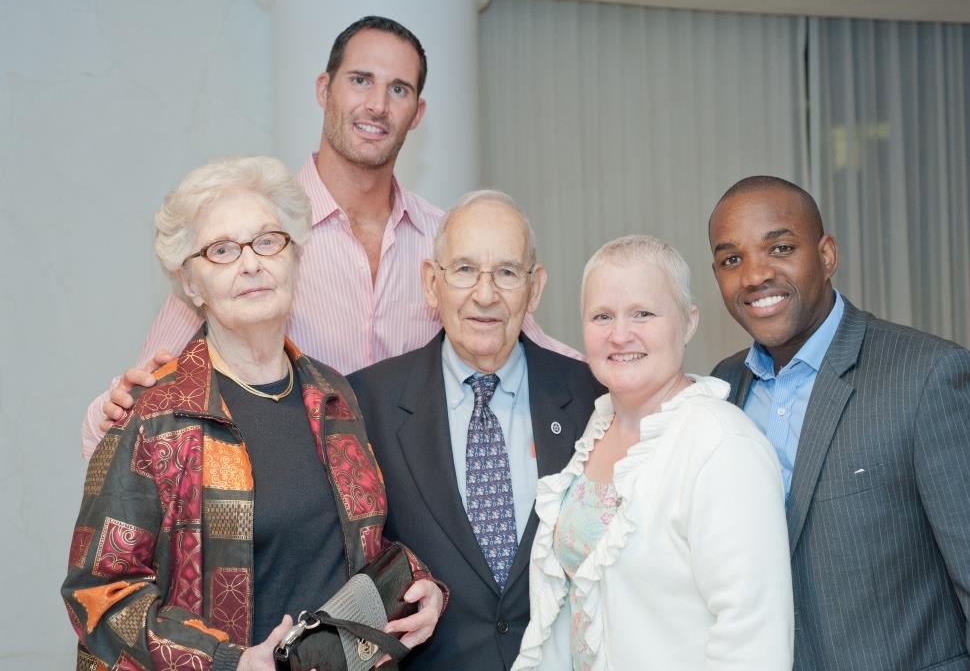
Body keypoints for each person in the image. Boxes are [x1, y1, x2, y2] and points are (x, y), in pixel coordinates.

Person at [80, 15, 578, 457]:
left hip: (421, 521)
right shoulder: (260, 238)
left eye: (398, 89)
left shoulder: (447, 243)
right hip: (300, 518)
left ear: (417, 113)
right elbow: (139, 399)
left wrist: (634, 367)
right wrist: (112, 410)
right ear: (324, 89)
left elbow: (535, 348)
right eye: (360, 80)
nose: (378, 105)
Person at [62, 156, 444, 671]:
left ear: (294, 259)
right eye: (221, 250)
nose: (251, 263)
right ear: (191, 285)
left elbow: (361, 548)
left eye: (268, 241)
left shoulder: (334, 397)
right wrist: (227, 662)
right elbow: (98, 593)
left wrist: (420, 584)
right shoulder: (153, 414)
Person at [708, 175, 970, 671]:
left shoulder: (931, 378)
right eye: (732, 259)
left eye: (781, 247)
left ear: (827, 255)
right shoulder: (720, 391)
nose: (753, 276)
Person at [347, 191, 604, 671]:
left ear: (535, 288)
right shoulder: (366, 404)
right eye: (464, 270)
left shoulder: (593, 397)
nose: (485, 295)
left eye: (506, 273)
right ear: (431, 283)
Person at [513, 235, 793, 671]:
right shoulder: (597, 427)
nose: (620, 334)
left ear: (689, 320)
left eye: (643, 313)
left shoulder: (722, 445)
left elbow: (752, 640)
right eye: (602, 315)